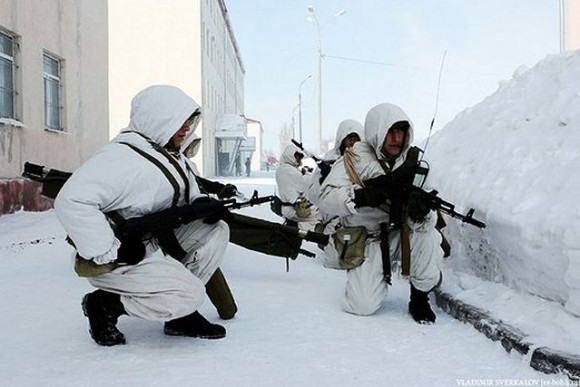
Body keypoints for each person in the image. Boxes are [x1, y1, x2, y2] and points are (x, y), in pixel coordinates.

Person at [54, 85, 230, 346]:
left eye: (188, 121)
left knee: (215, 230)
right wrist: (108, 250)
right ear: (158, 118)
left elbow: (186, 193)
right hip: (120, 256)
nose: (186, 128)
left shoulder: (167, 154)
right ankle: (105, 305)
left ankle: (179, 316)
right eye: (179, 121)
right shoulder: (120, 157)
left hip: (150, 243)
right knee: (192, 294)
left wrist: (202, 205)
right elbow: (71, 200)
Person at [318, 103, 444, 323]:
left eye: (401, 131)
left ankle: (420, 296)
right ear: (378, 132)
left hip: (402, 234)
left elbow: (429, 218)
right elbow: (325, 199)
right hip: (370, 240)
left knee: (428, 235)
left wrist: (421, 210)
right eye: (391, 132)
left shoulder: (414, 161)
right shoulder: (356, 158)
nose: (397, 138)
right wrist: (359, 197)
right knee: (362, 306)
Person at [275, 143, 320, 230]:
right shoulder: (287, 169)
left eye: (300, 157)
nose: (298, 159)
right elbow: (305, 184)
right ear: (289, 155)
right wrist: (310, 174)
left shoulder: (285, 169)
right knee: (323, 217)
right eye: (296, 156)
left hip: (292, 208)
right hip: (294, 210)